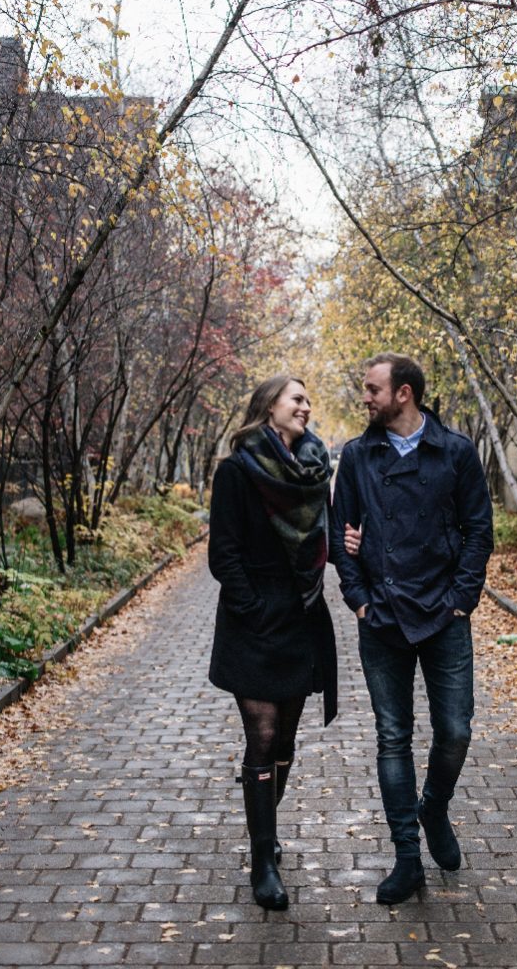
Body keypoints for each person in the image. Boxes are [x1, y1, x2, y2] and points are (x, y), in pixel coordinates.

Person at [330, 353, 493, 905]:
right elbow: (340, 533)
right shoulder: (356, 455)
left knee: (455, 731)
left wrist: (461, 601)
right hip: (381, 617)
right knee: (392, 738)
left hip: (443, 616)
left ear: (403, 393)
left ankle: (435, 809)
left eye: (372, 388)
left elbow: (479, 531)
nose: (365, 397)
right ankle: (407, 857)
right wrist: (358, 601)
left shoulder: (455, 451)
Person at [208, 374, 337, 911]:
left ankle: (266, 825)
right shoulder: (237, 472)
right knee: (260, 736)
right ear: (269, 407)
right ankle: (263, 858)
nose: (306, 407)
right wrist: (253, 607)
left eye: (308, 400)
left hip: (301, 618)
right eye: (297, 398)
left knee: (284, 742)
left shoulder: (313, 472)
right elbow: (224, 553)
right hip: (252, 621)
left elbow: (325, 539)